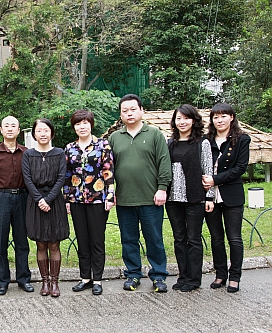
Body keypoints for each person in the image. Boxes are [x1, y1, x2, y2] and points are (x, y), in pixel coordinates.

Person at [108, 94, 172, 292]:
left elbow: (164, 162)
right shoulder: (114, 137)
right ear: (121, 114)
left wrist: (162, 188)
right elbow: (108, 168)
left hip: (151, 198)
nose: (129, 113)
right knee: (129, 239)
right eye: (125, 110)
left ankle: (159, 275)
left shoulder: (154, 134)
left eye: (133, 109)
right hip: (125, 199)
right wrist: (111, 192)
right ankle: (133, 274)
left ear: (141, 110)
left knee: (154, 238)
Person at [63, 110, 115, 296]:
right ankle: (85, 277)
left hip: (97, 199)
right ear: (74, 127)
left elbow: (108, 172)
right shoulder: (69, 148)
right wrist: (67, 198)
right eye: (78, 124)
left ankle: (98, 279)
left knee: (96, 240)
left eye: (85, 123)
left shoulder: (103, 145)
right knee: (82, 239)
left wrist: (109, 196)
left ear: (91, 124)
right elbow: (67, 176)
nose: (82, 127)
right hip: (76, 199)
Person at [0, 116, 33, 296]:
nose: (10, 129)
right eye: (6, 126)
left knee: (22, 241)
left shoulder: (27, 153)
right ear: (1, 130)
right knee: (1, 241)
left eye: (14, 126)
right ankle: (2, 281)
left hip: (22, 198)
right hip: (0, 199)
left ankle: (23, 279)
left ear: (19, 130)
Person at [202, 103, 251, 293]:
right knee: (216, 238)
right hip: (210, 196)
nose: (219, 120)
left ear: (232, 117)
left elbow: (240, 168)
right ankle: (220, 274)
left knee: (234, 238)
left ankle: (235, 276)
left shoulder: (242, 140)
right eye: (215, 117)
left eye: (223, 116)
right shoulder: (207, 140)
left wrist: (214, 179)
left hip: (232, 195)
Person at [166, 105, 214, 293]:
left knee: (193, 239)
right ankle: (183, 276)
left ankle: (194, 279)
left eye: (186, 118)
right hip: (173, 200)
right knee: (179, 238)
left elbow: (208, 170)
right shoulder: (170, 143)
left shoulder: (202, 143)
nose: (182, 122)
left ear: (193, 120)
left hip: (195, 198)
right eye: (178, 119)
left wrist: (209, 197)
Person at [22, 118, 69, 297]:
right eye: (39, 130)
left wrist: (48, 199)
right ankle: (44, 281)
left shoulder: (59, 153)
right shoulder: (28, 154)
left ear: (51, 133)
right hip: (35, 202)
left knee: (54, 243)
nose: (43, 134)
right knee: (41, 243)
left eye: (46, 130)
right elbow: (27, 179)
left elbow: (61, 178)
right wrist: (39, 199)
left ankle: (55, 282)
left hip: (55, 201)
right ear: (34, 133)